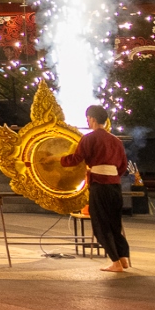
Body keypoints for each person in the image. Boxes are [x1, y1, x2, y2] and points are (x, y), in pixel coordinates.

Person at [59, 103, 131, 272]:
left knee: (101, 225)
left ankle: (115, 262)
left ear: (91, 119)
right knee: (115, 224)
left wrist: (59, 160)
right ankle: (123, 258)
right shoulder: (116, 141)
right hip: (115, 185)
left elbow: (77, 158)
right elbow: (123, 166)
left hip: (99, 185)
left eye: (88, 118)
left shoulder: (89, 138)